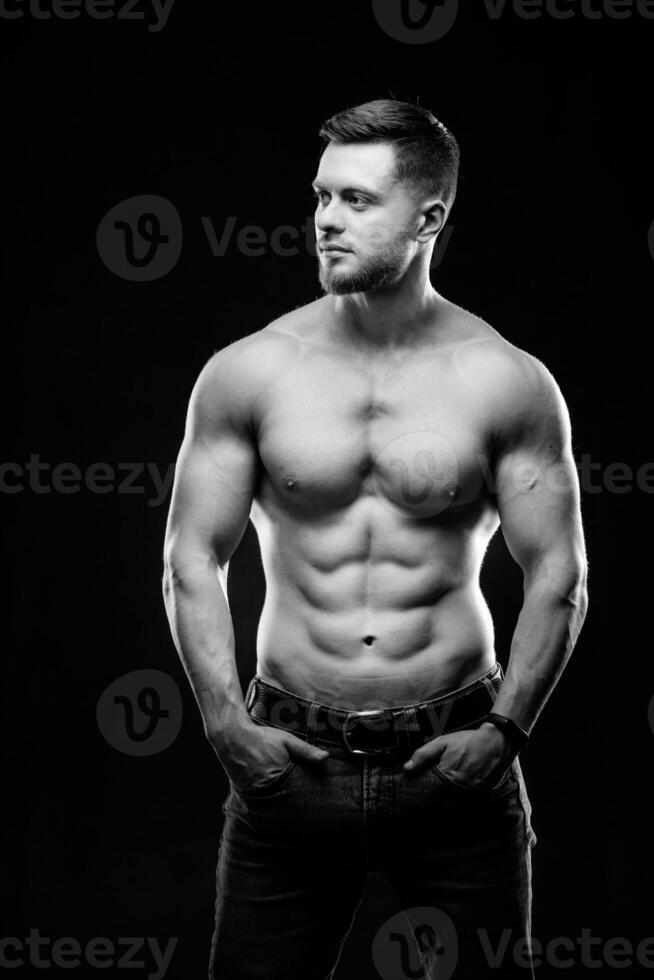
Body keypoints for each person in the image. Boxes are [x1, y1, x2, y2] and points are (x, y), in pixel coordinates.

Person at [162, 98, 588, 980]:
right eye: (321, 196)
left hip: (455, 767)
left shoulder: (504, 379)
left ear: (429, 217)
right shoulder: (251, 370)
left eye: (357, 202)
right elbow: (190, 557)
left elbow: (559, 573)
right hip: (290, 766)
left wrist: (506, 733)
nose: (325, 220)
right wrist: (223, 726)